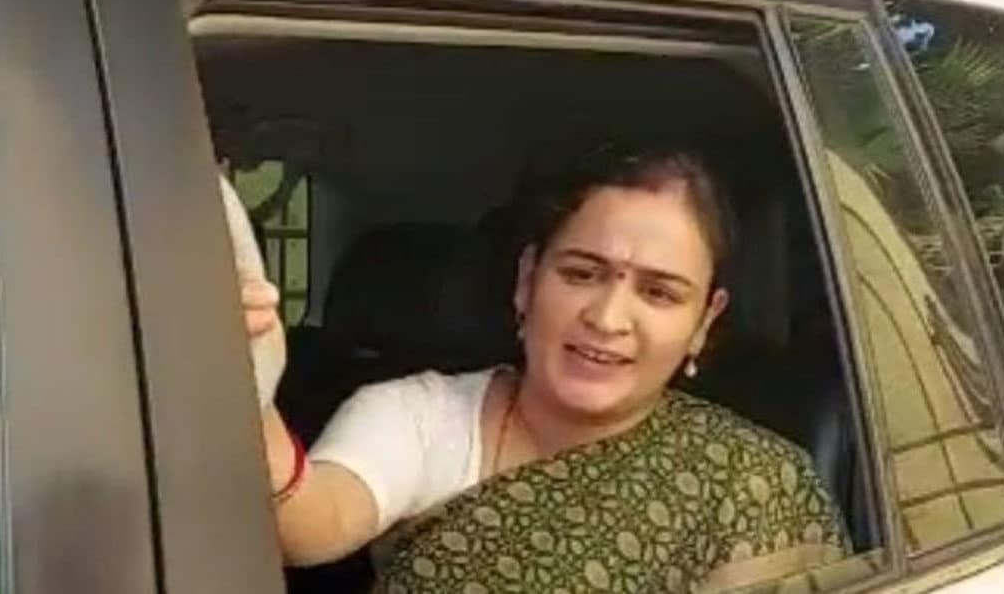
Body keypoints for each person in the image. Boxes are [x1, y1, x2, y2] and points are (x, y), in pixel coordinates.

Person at [239, 144, 850, 592]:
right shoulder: (420, 415)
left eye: (659, 293)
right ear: (528, 281)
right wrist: (247, 377)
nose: (608, 318)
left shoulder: (755, 485)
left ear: (704, 321)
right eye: (581, 274)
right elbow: (314, 521)